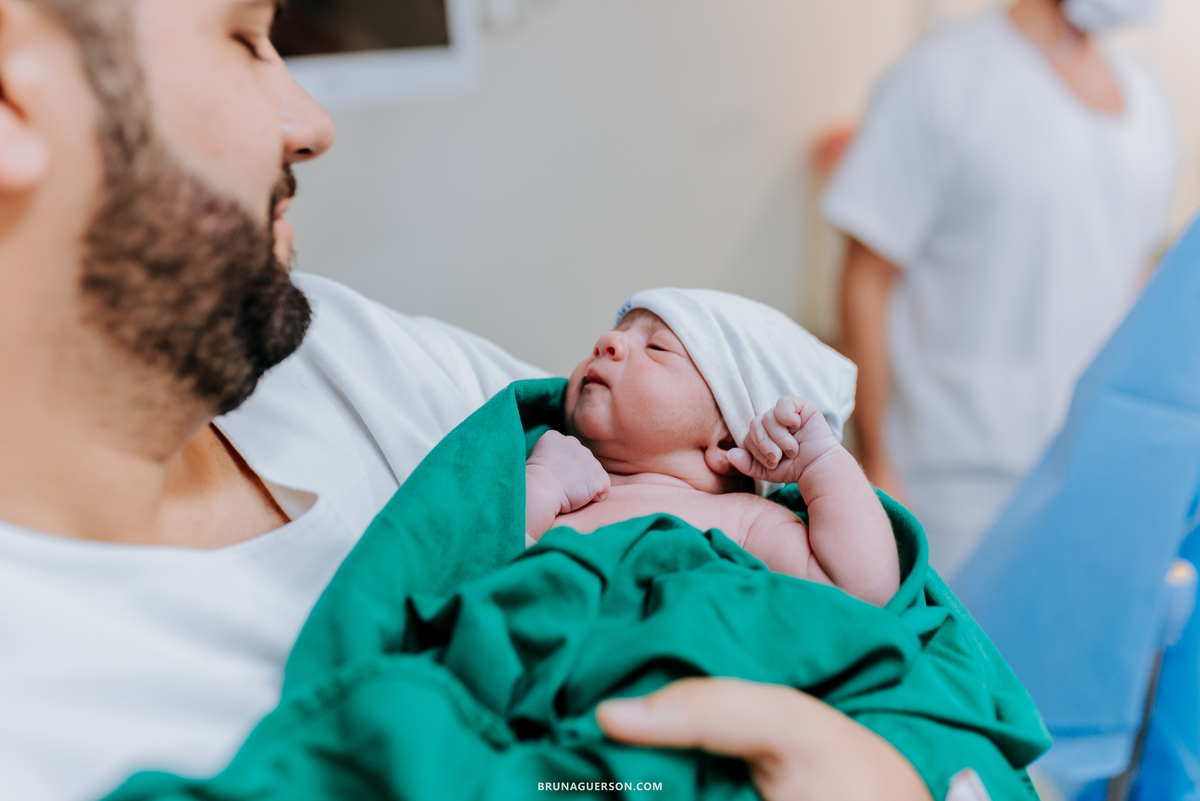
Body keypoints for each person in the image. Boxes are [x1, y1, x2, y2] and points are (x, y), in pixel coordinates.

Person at [0, 1, 1017, 800]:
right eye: (241, 37)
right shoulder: (46, 715)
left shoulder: (344, 355)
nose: (311, 123)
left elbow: (896, 624)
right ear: (13, 97)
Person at [827, 0, 1178, 576]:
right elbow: (867, 277)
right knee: (953, 658)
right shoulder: (942, 77)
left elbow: (1133, 279)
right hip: (948, 481)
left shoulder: (1145, 101)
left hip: (1090, 473)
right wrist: (877, 461)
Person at [525, 289, 899, 606]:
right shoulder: (550, 472)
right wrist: (539, 488)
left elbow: (861, 594)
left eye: (656, 347)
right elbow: (491, 571)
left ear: (726, 441)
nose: (608, 341)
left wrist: (822, 462)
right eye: (618, 331)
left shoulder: (743, 520)